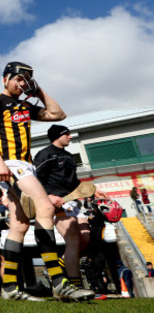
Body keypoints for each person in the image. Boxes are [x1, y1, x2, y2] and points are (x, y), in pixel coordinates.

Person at [0, 61, 93, 301]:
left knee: (19, 225)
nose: (22, 84)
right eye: (19, 79)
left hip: (23, 164)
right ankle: (59, 282)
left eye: (26, 80)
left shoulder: (26, 105)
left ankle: (9, 288)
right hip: (9, 163)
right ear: (5, 79)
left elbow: (57, 113)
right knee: (45, 207)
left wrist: (37, 90)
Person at [34, 124, 108, 290]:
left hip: (73, 201)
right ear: (57, 136)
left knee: (85, 239)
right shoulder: (44, 154)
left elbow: (74, 182)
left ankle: (59, 265)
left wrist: (94, 190)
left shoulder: (69, 156)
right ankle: (77, 286)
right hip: (56, 202)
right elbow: (33, 179)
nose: (70, 136)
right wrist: (48, 196)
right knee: (73, 239)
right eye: (66, 134)